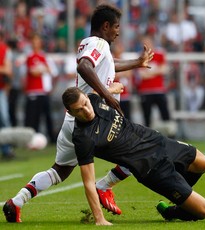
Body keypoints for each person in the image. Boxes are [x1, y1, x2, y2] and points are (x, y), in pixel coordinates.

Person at [3, 3, 153, 223]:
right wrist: (108, 95)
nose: (118, 31)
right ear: (106, 25)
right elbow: (84, 66)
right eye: (116, 27)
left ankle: (16, 201)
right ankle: (104, 186)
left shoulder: (91, 43)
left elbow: (108, 64)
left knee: (59, 172)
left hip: (73, 120)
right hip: (91, 119)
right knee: (137, 151)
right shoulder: (100, 43)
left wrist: (137, 63)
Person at [62, 87, 205, 225]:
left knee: (203, 163)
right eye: (79, 110)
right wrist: (99, 218)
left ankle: (179, 197)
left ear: (87, 98)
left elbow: (101, 90)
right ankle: (170, 211)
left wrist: (113, 89)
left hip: (156, 141)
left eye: (85, 104)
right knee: (204, 210)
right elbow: (88, 182)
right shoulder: (83, 138)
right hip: (151, 167)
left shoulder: (93, 99)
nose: (86, 111)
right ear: (70, 113)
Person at [23, 33, 57, 143]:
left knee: (47, 117)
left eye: (37, 41)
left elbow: (52, 72)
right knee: (32, 118)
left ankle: (52, 139)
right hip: (33, 92)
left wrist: (42, 70)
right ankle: (30, 140)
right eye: (33, 41)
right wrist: (43, 69)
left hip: (43, 92)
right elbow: (33, 72)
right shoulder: (29, 56)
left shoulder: (44, 56)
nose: (35, 43)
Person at [136, 34, 171, 128]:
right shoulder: (141, 56)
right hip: (145, 90)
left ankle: (170, 133)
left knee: (165, 113)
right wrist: (156, 71)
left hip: (159, 89)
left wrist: (149, 72)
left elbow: (164, 69)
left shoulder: (160, 54)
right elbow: (141, 75)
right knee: (147, 116)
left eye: (147, 43)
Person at [0, 31, 15, 159]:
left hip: (1, 89)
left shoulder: (5, 50)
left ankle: (7, 149)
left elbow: (8, 71)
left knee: (4, 119)